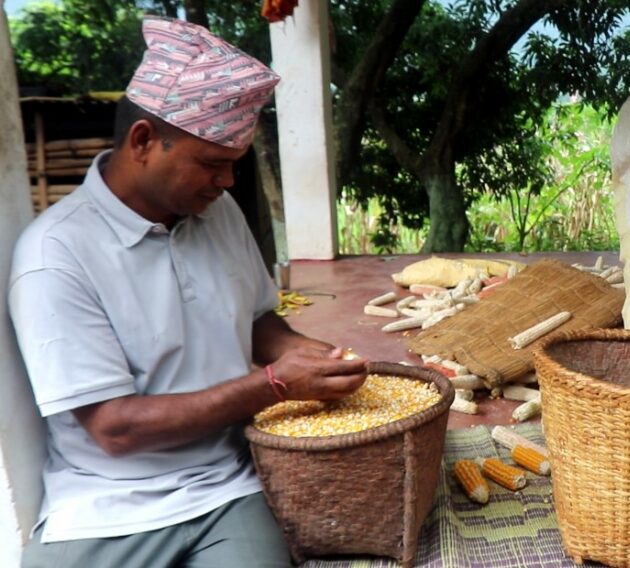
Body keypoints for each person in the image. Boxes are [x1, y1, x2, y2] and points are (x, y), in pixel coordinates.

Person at [8, 17, 367, 568]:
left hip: (224, 485)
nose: (227, 183)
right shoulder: (55, 254)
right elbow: (115, 428)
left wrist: (304, 354)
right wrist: (273, 384)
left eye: (232, 166)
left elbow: (256, 321)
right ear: (143, 142)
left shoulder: (216, 213)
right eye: (212, 164)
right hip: (105, 503)